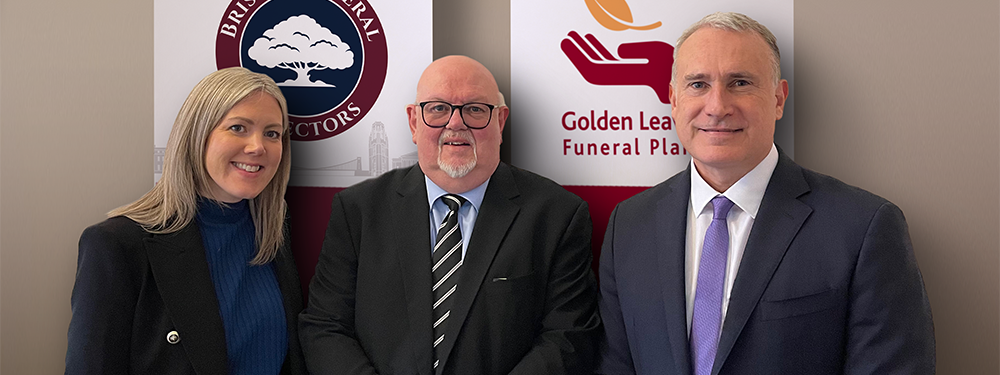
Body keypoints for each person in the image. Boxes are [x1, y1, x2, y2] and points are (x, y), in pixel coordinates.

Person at [596, 12, 934, 375]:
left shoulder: (862, 227)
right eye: (698, 84)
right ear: (673, 100)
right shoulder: (629, 225)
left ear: (778, 99)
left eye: (740, 83)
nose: (717, 106)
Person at [299, 55, 600, 374]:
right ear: (414, 122)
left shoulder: (557, 215)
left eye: (474, 109)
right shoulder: (358, 211)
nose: (456, 123)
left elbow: (567, 337)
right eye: (438, 108)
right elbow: (325, 327)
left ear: (500, 122)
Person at [66, 67, 306, 375]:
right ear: (197, 135)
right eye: (238, 128)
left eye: (272, 133)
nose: (257, 146)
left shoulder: (273, 233)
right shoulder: (117, 245)